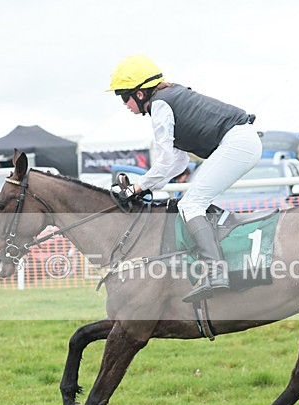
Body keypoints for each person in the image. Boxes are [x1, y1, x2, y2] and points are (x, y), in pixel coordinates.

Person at [109, 54, 261, 303]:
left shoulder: (160, 105)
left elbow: (165, 161)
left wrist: (136, 187)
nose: (125, 105)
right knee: (192, 202)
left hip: (237, 143)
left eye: (124, 97)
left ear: (139, 93)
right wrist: (144, 187)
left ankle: (217, 272)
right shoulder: (167, 98)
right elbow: (178, 162)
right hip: (241, 141)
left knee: (191, 204)